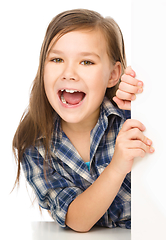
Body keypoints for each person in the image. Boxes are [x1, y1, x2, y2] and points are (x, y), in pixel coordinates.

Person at [12, 9, 154, 233]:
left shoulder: (132, 117)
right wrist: (117, 165)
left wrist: (148, 102)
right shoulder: (34, 146)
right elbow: (76, 220)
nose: (69, 73)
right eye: (57, 59)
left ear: (113, 75)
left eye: (86, 62)